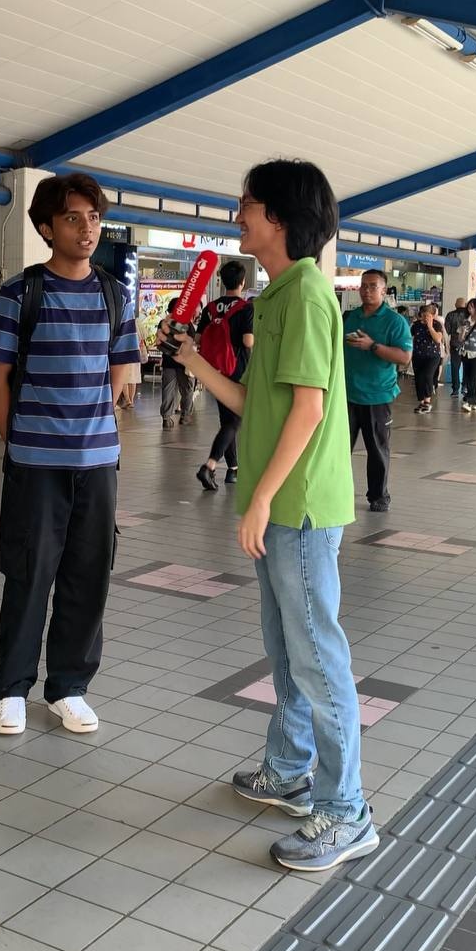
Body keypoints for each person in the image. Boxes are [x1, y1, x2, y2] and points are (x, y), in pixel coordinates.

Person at [167, 159, 376, 871]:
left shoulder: (310, 296)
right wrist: (195, 363)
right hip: (280, 508)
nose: (239, 218)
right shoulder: (278, 294)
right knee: (288, 650)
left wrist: (256, 498)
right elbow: (262, 405)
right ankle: (290, 771)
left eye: (247, 206)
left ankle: (347, 812)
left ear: (280, 219)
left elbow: (311, 411)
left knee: (318, 658)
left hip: (302, 510)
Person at [0, 172, 139, 737]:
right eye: (73, 218)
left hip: (98, 464)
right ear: (47, 227)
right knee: (28, 574)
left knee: (88, 575)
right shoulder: (19, 293)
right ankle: (11, 688)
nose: (87, 228)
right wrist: (16, 440)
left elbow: (123, 369)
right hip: (36, 465)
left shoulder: (114, 294)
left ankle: (69, 686)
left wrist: (111, 402)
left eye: (94, 217)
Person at [343, 269, 412, 513]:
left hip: (377, 397)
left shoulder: (395, 322)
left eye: (373, 286)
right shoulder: (350, 317)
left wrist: (372, 346)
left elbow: (404, 357)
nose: (366, 290)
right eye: (363, 286)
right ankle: (338, 492)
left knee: (377, 450)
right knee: (340, 449)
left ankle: (379, 496)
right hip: (347, 395)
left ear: (384, 290)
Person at [194, 260, 254, 490]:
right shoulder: (245, 307)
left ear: (221, 281)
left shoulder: (210, 307)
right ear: (242, 282)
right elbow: (248, 341)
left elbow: (199, 340)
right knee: (235, 421)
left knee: (227, 421)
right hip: (238, 370)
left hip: (214, 370)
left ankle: (233, 470)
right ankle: (209, 466)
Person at [158, 295, 195, 429]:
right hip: (184, 363)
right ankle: (185, 415)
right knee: (187, 389)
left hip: (168, 362)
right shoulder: (187, 324)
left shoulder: (163, 323)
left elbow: (160, 341)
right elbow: (192, 342)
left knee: (168, 390)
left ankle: (166, 419)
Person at [410, 301, 446, 413]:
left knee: (427, 376)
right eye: (424, 315)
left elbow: (438, 339)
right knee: (418, 378)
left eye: (429, 316)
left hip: (432, 356)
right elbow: (409, 337)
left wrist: (430, 327)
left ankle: (427, 402)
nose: (426, 318)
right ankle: (421, 402)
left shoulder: (437, 325)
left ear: (433, 315)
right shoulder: (416, 325)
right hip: (417, 355)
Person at [459, 298, 476, 412]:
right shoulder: (465, 321)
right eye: (468, 307)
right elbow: (460, 339)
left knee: (474, 377)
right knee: (469, 378)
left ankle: (469, 401)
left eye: (472, 307)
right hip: (466, 353)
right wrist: (463, 331)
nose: (469, 309)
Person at [444, 297, 469, 398]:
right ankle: (465, 387)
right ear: (466, 304)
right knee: (467, 367)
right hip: (468, 345)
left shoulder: (450, 315)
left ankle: (455, 390)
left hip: (455, 345)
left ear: (455, 305)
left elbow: (447, 330)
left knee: (455, 367)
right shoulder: (469, 315)